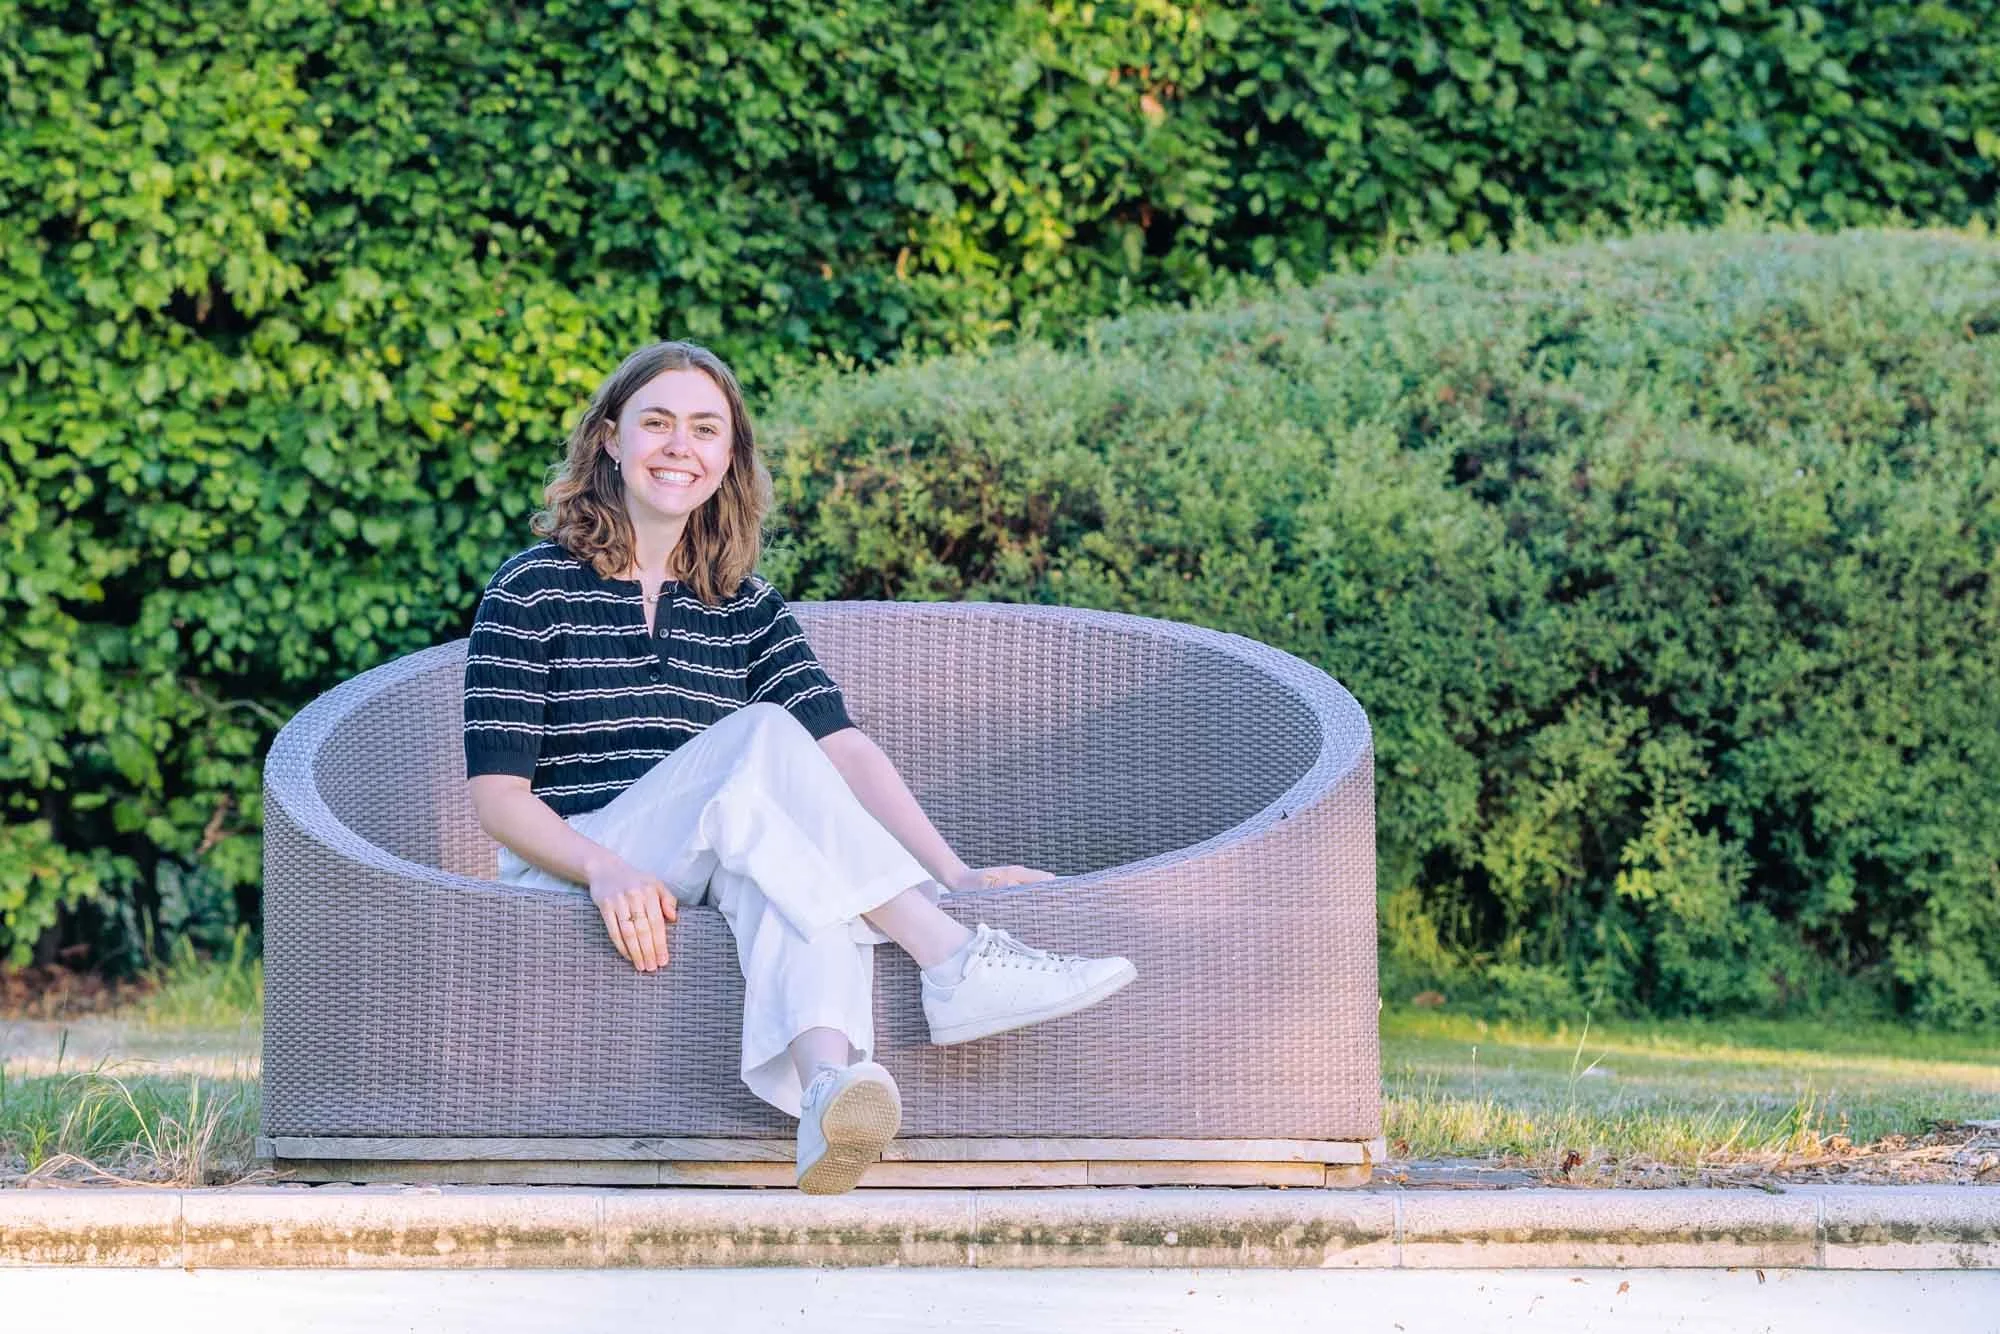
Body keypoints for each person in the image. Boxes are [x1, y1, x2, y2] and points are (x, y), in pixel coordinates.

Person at [461, 339, 1136, 1195]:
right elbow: (497, 799)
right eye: (656, 423)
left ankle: (827, 1090)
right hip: (575, 857)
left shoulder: (742, 604)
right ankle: (954, 960)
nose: (681, 446)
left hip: (704, 853)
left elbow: (844, 748)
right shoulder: (531, 589)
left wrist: (955, 868)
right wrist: (602, 868)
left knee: (782, 870)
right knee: (763, 741)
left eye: (707, 429)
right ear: (610, 440)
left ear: (729, 458)